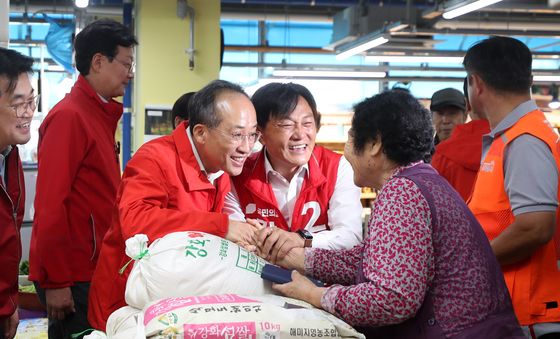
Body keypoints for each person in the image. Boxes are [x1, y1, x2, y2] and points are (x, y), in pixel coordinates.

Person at [268, 90, 524, 338]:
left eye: (350, 137)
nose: (345, 151)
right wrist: (302, 259)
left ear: (375, 144)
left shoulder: (402, 192)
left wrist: (315, 295)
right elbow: (375, 258)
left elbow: (392, 299)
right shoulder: (420, 180)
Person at [88, 80, 261, 330]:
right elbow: (135, 222)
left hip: (173, 300)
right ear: (201, 132)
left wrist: (237, 241)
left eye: (252, 134)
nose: (246, 147)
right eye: (237, 135)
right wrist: (222, 228)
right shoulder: (154, 159)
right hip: (129, 304)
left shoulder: (219, 168)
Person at [29, 19, 137, 338]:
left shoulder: (96, 115)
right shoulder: (69, 118)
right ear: (98, 62)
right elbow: (49, 206)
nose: (130, 73)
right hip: (73, 275)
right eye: (126, 64)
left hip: (92, 267)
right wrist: (56, 281)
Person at [465, 36, 560, 338]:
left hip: (529, 315)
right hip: (515, 309)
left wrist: (472, 264)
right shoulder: (516, 135)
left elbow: (535, 227)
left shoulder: (524, 141)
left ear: (476, 84)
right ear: (529, 79)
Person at [223, 82, 362, 263]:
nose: (300, 134)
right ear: (260, 134)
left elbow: (350, 237)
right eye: (287, 125)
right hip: (256, 282)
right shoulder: (237, 173)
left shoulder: (337, 167)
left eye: (307, 123)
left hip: (321, 283)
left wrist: (300, 238)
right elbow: (238, 236)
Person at [0, 48, 35, 339]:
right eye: (17, 103)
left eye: (31, 100)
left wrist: (10, 303)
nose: (28, 112)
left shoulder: (10, 155)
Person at [431, 78, 490, 201]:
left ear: (465, 113)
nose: (445, 120)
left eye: (452, 113)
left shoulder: (440, 157)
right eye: (440, 114)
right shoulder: (502, 142)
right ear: (432, 116)